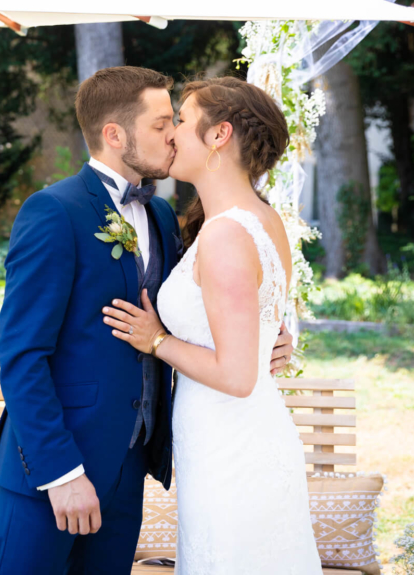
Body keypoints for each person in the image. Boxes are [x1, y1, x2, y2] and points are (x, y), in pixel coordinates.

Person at [0, 68, 296, 575]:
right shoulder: (54, 211)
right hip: (56, 474)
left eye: (176, 121)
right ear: (115, 135)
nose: (172, 134)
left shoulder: (163, 217)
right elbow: (21, 355)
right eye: (160, 124)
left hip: (129, 472)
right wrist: (61, 473)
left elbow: (210, 306)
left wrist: (270, 337)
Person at [102, 77, 322, 574]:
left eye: (181, 120)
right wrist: (273, 342)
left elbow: (237, 375)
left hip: (233, 449)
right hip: (229, 437)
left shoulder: (227, 234)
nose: (172, 133)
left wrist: (156, 340)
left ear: (219, 135)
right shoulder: (261, 220)